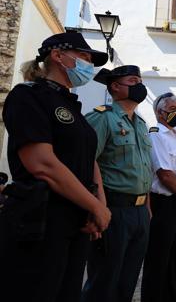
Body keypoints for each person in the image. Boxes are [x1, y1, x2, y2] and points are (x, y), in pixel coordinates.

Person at [0, 32, 111, 302]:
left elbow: (89, 158)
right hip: (40, 220)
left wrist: (98, 203)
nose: (88, 63)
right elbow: (42, 164)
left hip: (75, 221)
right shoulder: (28, 96)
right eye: (83, 56)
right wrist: (95, 207)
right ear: (58, 55)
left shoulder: (73, 107)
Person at [82, 65, 153, 302]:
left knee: (128, 279)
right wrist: (97, 207)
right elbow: (86, 162)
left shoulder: (141, 124)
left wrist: (147, 207)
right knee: (104, 279)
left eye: (140, 81)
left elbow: (144, 168)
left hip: (140, 211)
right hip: (114, 209)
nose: (140, 86)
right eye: (133, 81)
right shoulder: (102, 118)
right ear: (115, 86)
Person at [141, 93, 176, 302]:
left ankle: (174, 295)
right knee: (159, 257)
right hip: (165, 204)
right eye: (172, 108)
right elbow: (164, 173)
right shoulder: (156, 135)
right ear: (160, 112)